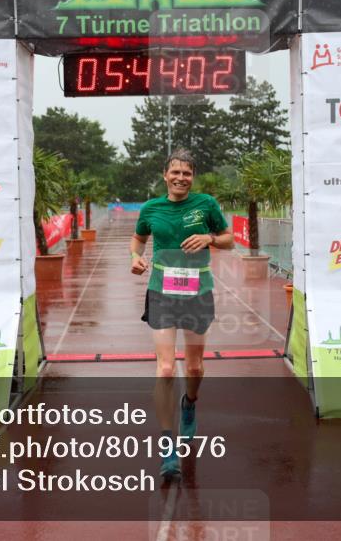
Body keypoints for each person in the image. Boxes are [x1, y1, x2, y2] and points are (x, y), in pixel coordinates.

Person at [130, 149, 233, 480]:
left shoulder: (206, 204)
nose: (180, 178)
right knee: (164, 368)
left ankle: (189, 404)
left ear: (193, 177)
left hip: (197, 292)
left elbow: (230, 240)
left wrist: (210, 238)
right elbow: (138, 239)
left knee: (194, 366)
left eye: (186, 173)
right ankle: (166, 445)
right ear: (165, 175)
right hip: (161, 291)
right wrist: (135, 257)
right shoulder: (151, 208)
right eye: (175, 172)